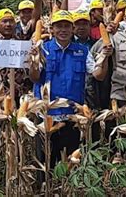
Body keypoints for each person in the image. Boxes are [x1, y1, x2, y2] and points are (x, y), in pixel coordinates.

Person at [28, 10, 106, 165]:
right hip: (47, 116)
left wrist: (105, 57)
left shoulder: (82, 51)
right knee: (45, 163)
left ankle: (67, 189)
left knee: (71, 162)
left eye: (66, 26)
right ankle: (45, 188)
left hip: (72, 117)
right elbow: (35, 77)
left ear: (72, 29)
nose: (63, 30)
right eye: (59, 26)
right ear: (52, 29)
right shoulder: (43, 49)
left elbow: (99, 75)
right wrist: (34, 60)